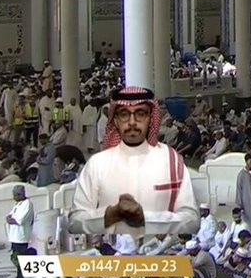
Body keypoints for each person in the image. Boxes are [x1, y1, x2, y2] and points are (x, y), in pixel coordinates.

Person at [68, 87, 199, 236]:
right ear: (115, 120)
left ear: (150, 118)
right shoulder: (97, 164)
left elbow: (192, 221)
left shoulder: (170, 159)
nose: (132, 122)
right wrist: (110, 215)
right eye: (124, 114)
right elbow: (75, 222)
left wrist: (145, 219)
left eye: (140, 114)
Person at [5, 185, 33, 278]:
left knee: (20, 258)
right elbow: (9, 216)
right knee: (15, 258)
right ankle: (19, 277)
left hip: (21, 237)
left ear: (20, 195)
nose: (13, 197)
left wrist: (11, 220)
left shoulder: (27, 204)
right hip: (14, 237)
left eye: (15, 195)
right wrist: (10, 219)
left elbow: (20, 220)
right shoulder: (18, 204)